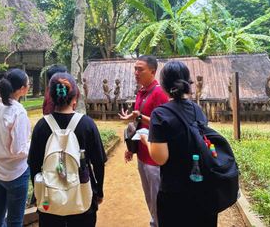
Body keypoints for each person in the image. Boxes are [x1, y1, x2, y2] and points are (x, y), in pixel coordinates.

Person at [142, 60, 218, 227]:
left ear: (163, 85)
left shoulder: (160, 114)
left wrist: (145, 139)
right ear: (187, 82)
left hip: (175, 193)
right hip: (202, 189)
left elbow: (160, 158)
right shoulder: (197, 109)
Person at [28, 72, 107, 227]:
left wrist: (38, 192)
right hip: (82, 197)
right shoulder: (87, 124)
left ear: (50, 97)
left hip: (49, 199)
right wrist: (98, 190)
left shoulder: (41, 126)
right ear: (75, 97)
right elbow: (99, 163)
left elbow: (34, 165)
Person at [118, 55, 168, 227]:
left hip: (155, 157)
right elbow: (139, 123)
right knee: (149, 197)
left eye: (140, 69)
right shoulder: (141, 92)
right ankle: (155, 222)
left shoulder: (160, 93)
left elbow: (163, 124)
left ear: (153, 72)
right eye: (135, 69)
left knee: (157, 199)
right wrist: (131, 147)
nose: (136, 73)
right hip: (142, 153)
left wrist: (139, 116)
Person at [0, 69, 31, 227]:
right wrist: (33, 145)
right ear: (22, 89)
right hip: (16, 172)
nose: (29, 87)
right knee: (14, 221)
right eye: (28, 84)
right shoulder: (18, 112)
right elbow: (18, 150)